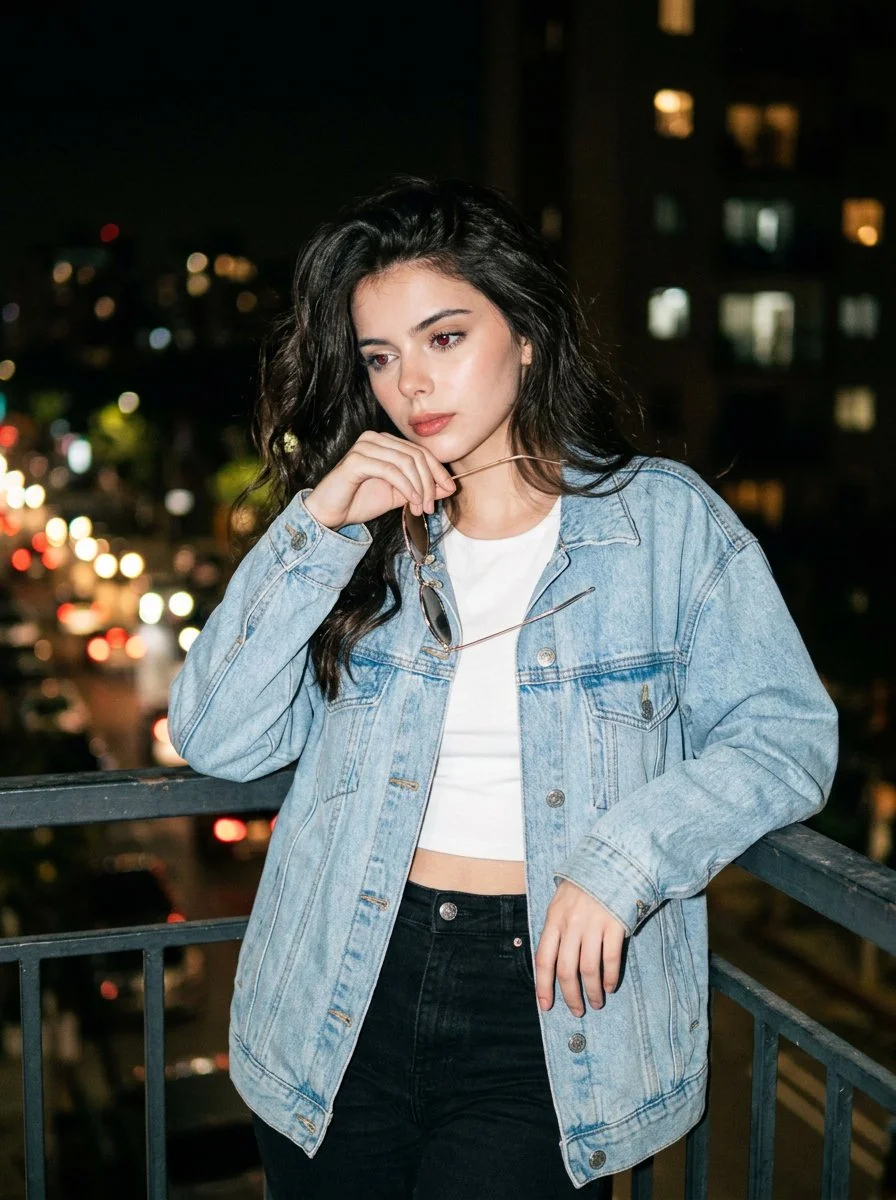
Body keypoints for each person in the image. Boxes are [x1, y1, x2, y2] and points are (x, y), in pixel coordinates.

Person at [167, 177, 838, 1198]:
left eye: (444, 338)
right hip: (340, 992)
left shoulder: (662, 526)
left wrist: (625, 858)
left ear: (524, 335)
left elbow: (784, 735)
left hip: (546, 1010)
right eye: (381, 357)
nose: (410, 387)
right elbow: (214, 735)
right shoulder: (361, 541)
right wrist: (316, 527)